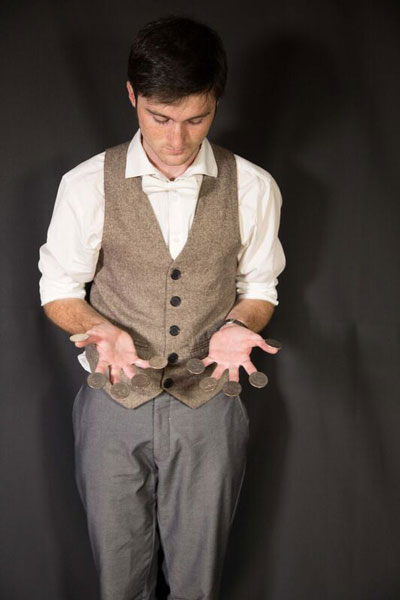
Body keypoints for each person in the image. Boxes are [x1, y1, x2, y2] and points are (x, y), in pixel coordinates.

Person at [38, 15, 286, 600]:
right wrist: (98, 327)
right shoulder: (85, 184)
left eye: (196, 119)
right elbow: (59, 289)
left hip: (210, 404)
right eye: (160, 118)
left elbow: (260, 287)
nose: (176, 140)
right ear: (133, 96)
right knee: (118, 579)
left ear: (216, 101)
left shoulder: (254, 186)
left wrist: (238, 323)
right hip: (114, 401)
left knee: (199, 582)